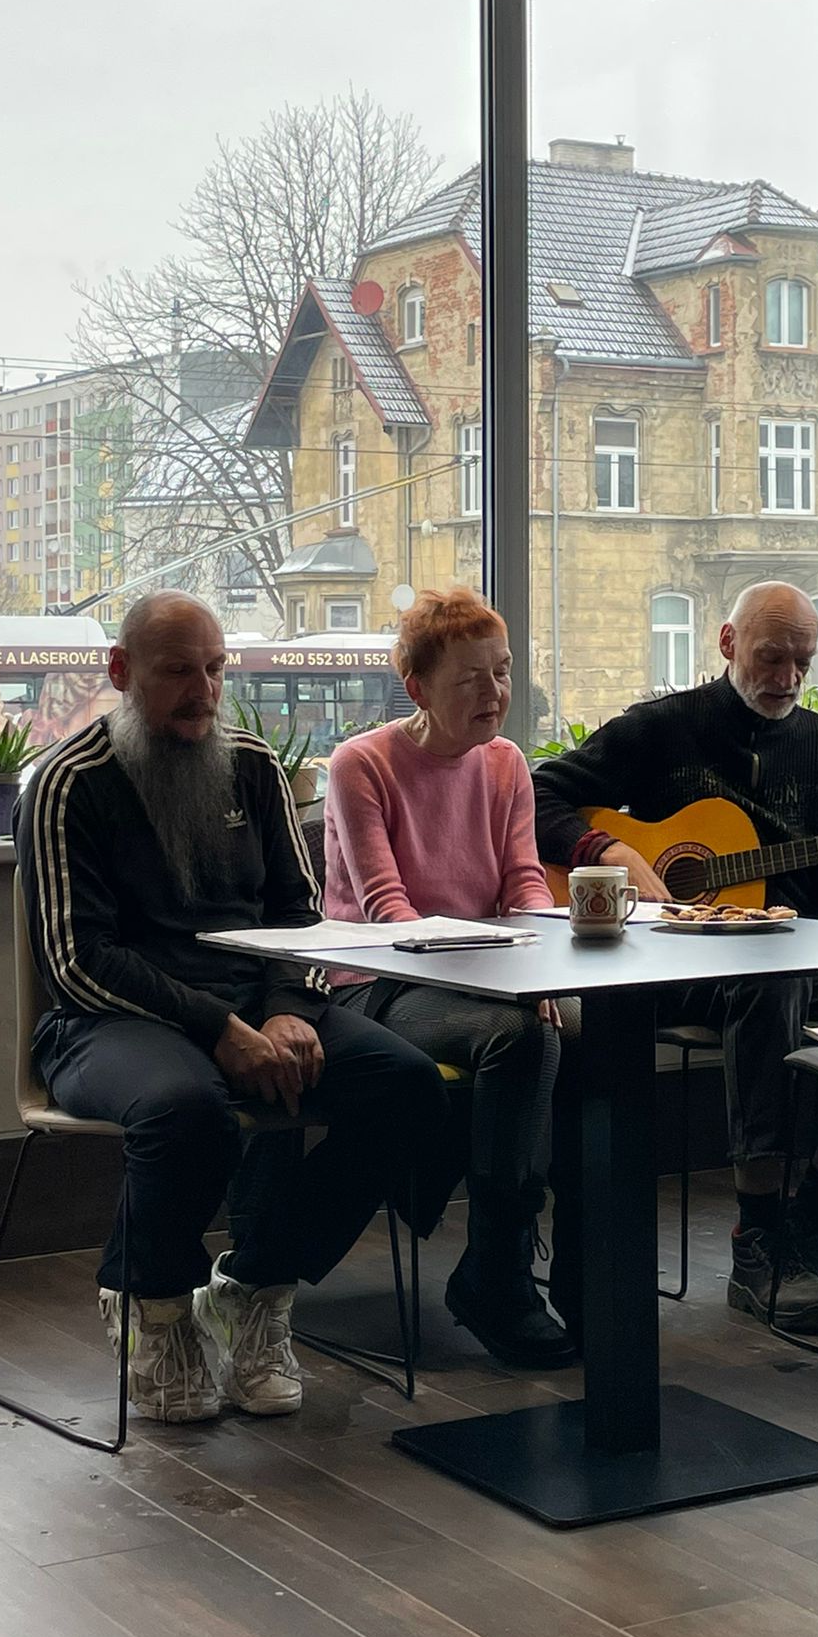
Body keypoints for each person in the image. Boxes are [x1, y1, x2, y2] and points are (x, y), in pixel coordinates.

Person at [17, 590, 448, 1426]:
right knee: (186, 1107)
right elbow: (78, 960)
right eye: (179, 671)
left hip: (256, 1002)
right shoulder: (69, 784)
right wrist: (217, 1029)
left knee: (405, 1086)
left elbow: (299, 919)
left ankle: (254, 1287)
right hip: (108, 1023)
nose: (203, 691)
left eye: (215, 669)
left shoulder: (253, 766)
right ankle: (153, 1305)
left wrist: (288, 1010)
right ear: (121, 671)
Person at [533, 581, 818, 1337]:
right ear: (727, 643)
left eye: (803, 662)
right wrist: (610, 849)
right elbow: (538, 795)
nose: (788, 678)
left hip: (794, 953)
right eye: (770, 657)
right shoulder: (661, 728)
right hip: (673, 961)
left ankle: (814, 1216)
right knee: (769, 982)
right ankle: (759, 1241)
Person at [324, 587, 575, 1372]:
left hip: (482, 975)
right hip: (375, 981)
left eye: (502, 672)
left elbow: (524, 883)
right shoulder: (361, 764)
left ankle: (583, 1269)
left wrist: (542, 960)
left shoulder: (506, 764)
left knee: (589, 1029)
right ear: (419, 689)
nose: (494, 692)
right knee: (521, 1039)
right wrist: (504, 980)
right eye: (471, 679)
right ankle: (497, 1270)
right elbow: (387, 910)